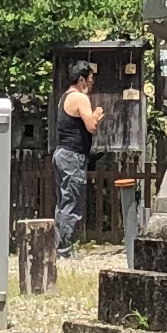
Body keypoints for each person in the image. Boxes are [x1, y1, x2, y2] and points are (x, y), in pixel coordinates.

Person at [52, 62, 99, 249]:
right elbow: (91, 126)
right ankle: (63, 248)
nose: (92, 84)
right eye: (90, 80)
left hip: (62, 153)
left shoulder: (64, 97)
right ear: (81, 80)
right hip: (73, 155)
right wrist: (95, 116)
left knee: (63, 202)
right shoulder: (80, 97)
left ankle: (59, 244)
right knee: (71, 202)